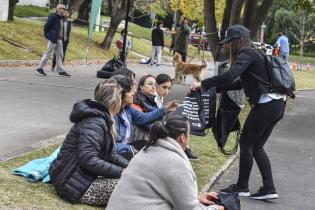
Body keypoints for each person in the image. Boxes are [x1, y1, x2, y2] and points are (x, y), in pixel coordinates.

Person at [191, 25, 286, 200]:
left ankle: (242, 186)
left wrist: (204, 84)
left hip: (267, 105)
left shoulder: (248, 54)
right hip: (277, 105)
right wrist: (213, 89)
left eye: (229, 43)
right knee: (256, 146)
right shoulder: (255, 54)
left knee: (246, 144)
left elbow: (230, 75)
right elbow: (239, 84)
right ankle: (269, 188)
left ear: (237, 41)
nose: (227, 46)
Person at [106, 113, 224, 210]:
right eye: (189, 134)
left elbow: (151, 193)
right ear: (183, 137)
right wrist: (215, 209)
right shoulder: (176, 163)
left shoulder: (147, 150)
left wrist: (196, 199)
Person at [49, 79, 129, 206]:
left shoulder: (100, 118)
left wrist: (131, 167)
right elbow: (88, 159)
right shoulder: (95, 122)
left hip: (78, 179)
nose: (123, 101)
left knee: (136, 180)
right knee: (134, 186)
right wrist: (123, 172)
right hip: (72, 185)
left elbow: (111, 155)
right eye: (121, 97)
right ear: (114, 101)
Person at [112, 75, 176, 160]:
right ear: (120, 91)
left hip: (124, 148)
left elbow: (143, 117)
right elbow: (109, 148)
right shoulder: (108, 113)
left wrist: (165, 109)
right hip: (119, 151)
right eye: (131, 88)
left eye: (155, 84)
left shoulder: (126, 107)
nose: (134, 91)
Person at [36, 4, 71, 77]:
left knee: (60, 54)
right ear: (58, 9)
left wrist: (66, 18)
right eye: (63, 9)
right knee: (48, 53)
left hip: (59, 39)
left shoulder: (61, 17)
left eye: (64, 9)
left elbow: (64, 22)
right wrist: (48, 36)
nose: (64, 10)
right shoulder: (53, 16)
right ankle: (39, 68)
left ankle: (61, 71)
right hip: (53, 38)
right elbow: (46, 26)